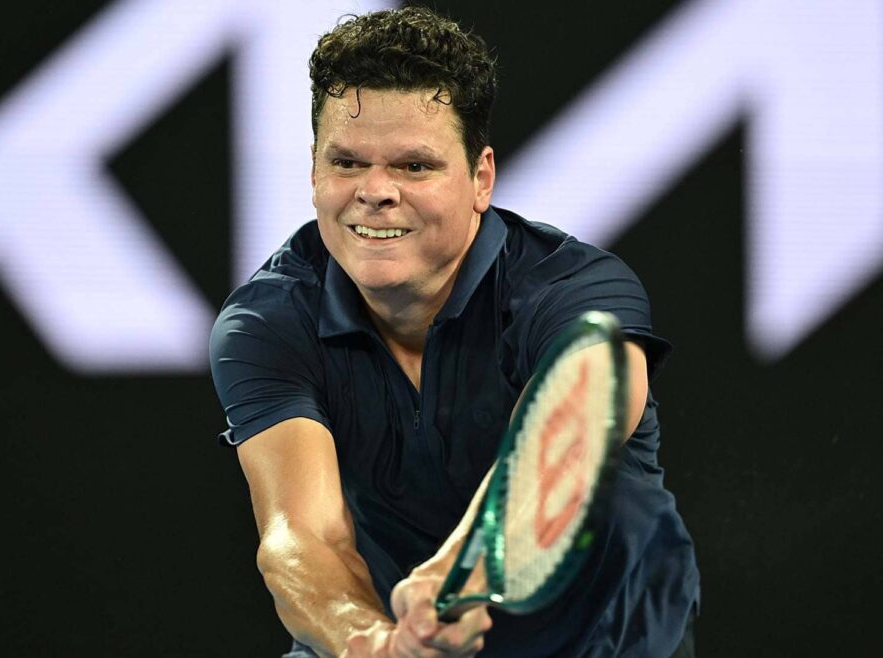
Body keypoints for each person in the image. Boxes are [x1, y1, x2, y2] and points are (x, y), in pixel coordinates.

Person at [210, 7, 699, 657]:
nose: (375, 191)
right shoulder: (268, 320)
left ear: (481, 179)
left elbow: (562, 453)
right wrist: (375, 644)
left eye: (414, 167)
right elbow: (303, 540)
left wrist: (454, 581)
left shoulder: (574, 292)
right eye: (347, 162)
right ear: (314, 172)